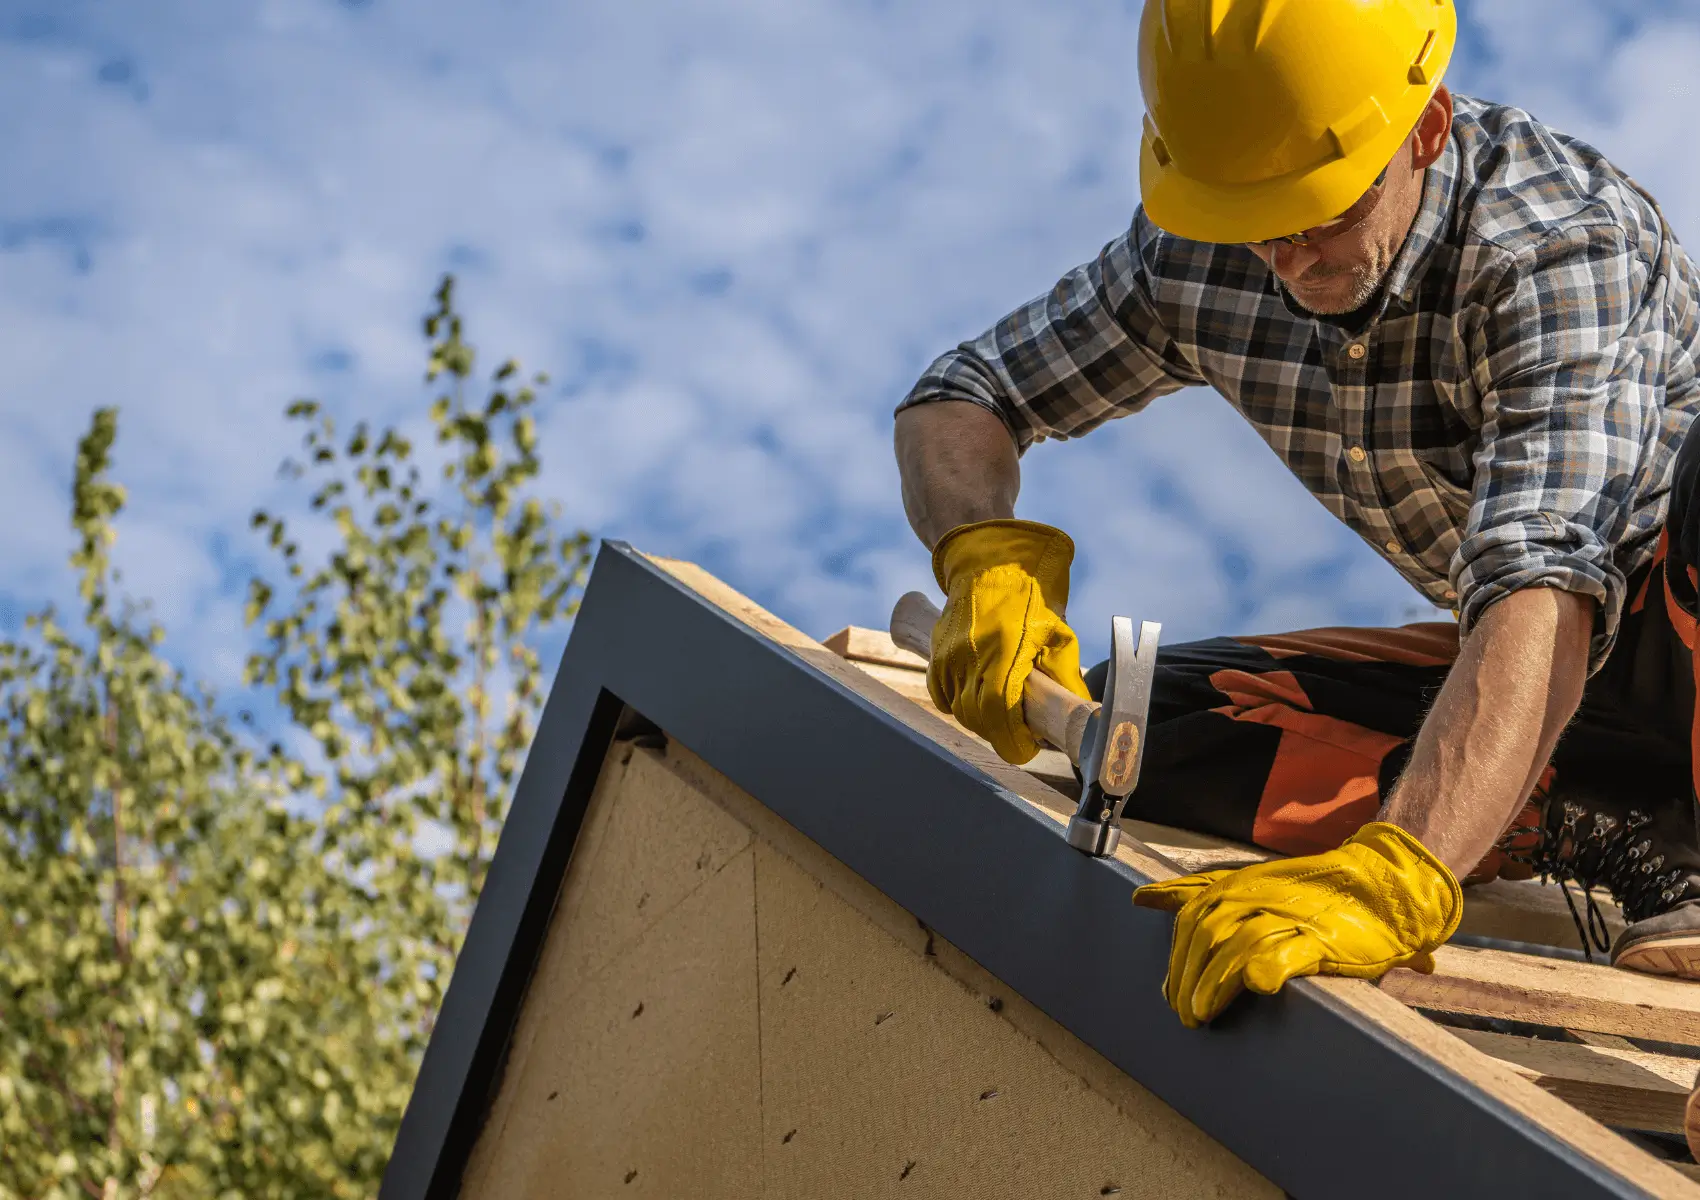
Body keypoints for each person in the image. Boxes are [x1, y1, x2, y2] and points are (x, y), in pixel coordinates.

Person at [894, 0, 1700, 1029]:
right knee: (1162, 722)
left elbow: (1542, 578)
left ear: (1422, 130)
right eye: (1249, 219)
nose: (1284, 257)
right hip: (1542, 683)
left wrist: (1395, 874)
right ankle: (1623, 825)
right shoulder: (1199, 251)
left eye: (1318, 212)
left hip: (1639, 624)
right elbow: (963, 395)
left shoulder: (1551, 247)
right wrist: (982, 557)